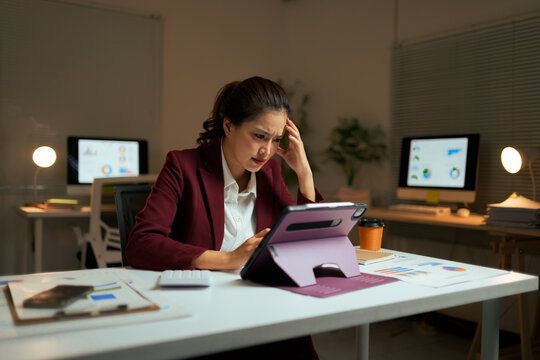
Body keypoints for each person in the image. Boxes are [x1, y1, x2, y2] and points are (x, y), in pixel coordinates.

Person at [126, 76, 322, 359]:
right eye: (259, 136)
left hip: (261, 305)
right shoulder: (182, 166)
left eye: (275, 140)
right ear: (228, 126)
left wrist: (304, 172)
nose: (267, 151)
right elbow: (141, 243)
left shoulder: (269, 173)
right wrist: (228, 259)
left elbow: (303, 238)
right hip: (203, 313)